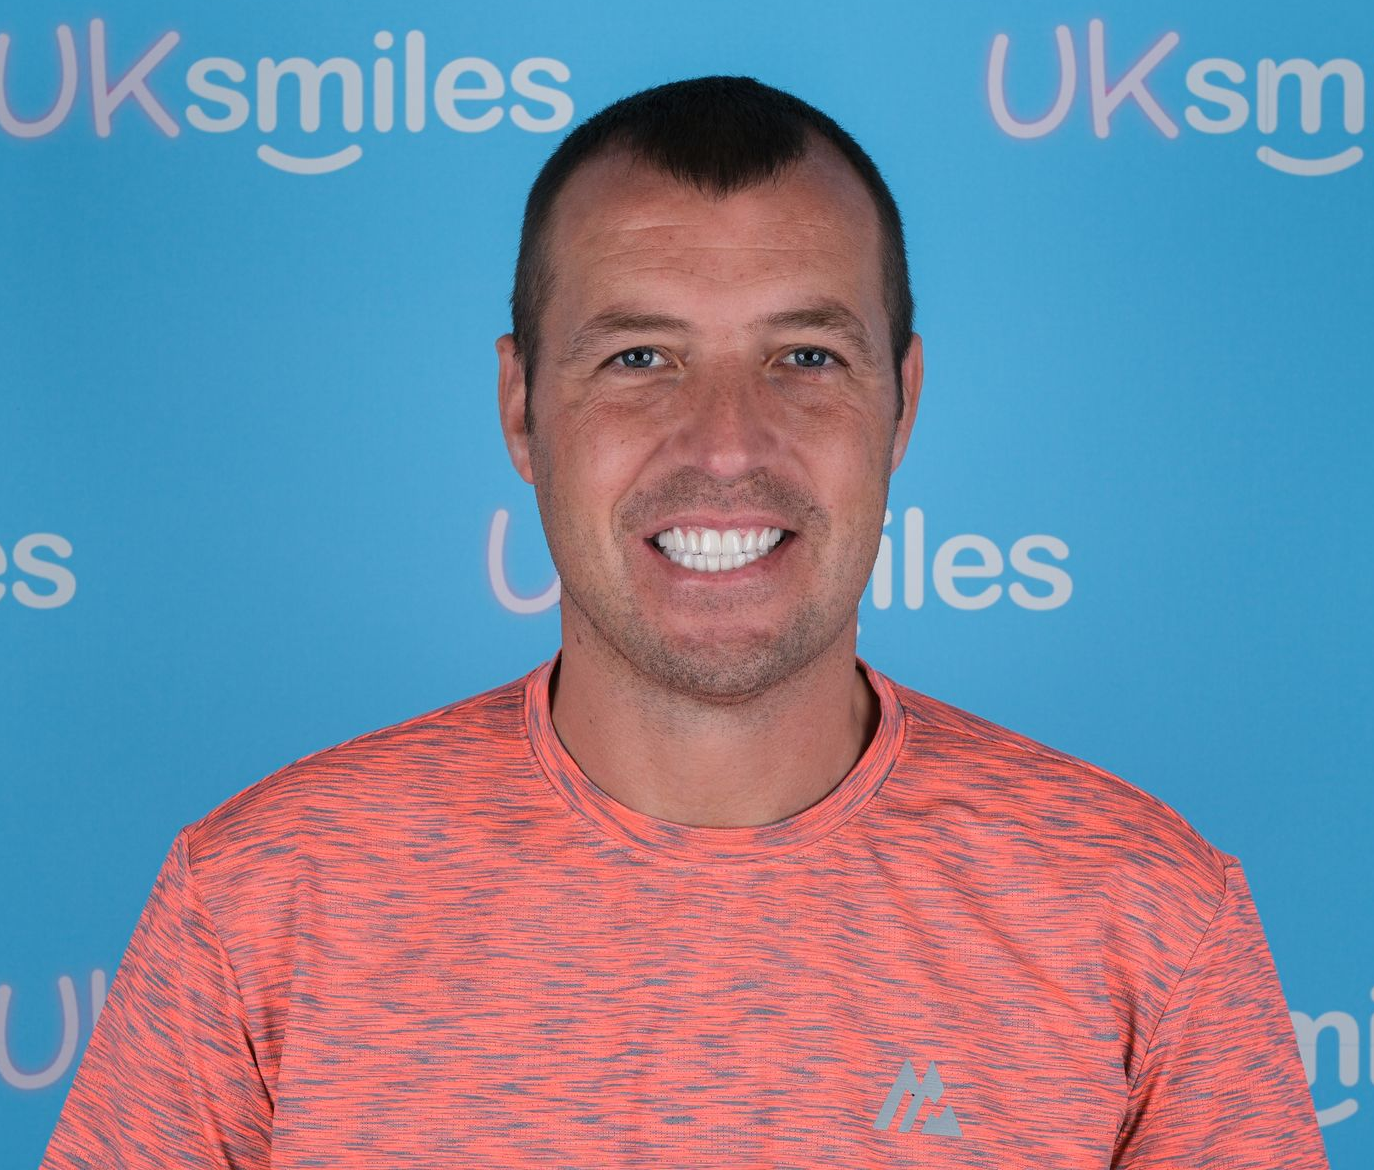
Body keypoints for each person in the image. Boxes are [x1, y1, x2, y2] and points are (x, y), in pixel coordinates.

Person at [42, 76, 1326, 1169]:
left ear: (903, 404)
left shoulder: (1149, 918)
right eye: (638, 360)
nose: (726, 446)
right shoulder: (264, 903)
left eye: (806, 357)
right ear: (520, 408)